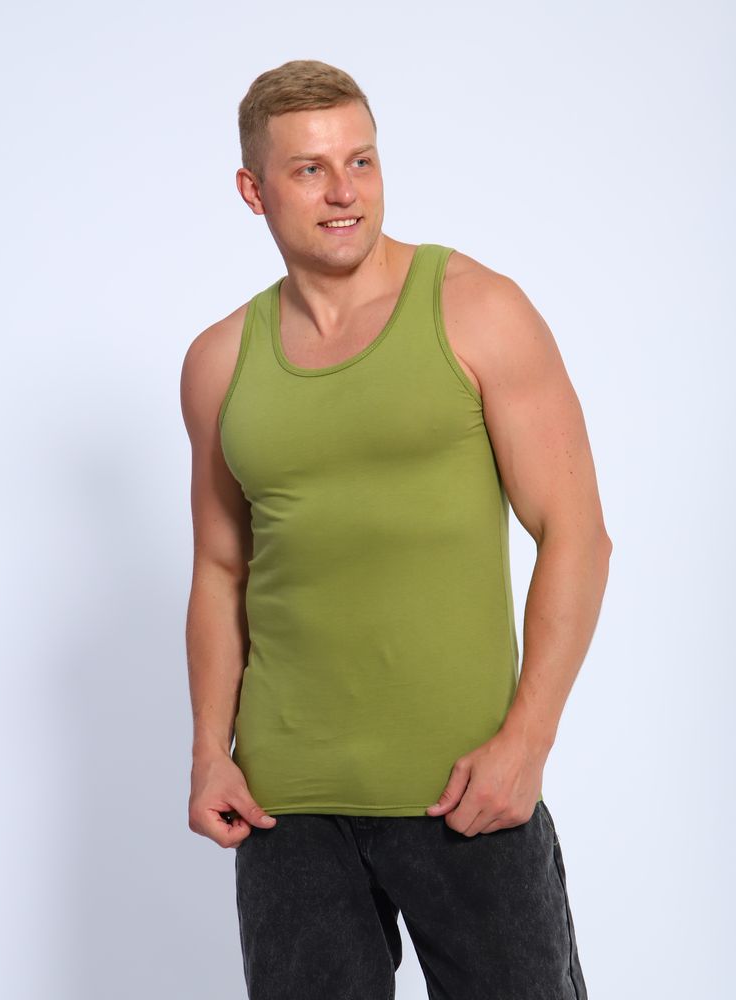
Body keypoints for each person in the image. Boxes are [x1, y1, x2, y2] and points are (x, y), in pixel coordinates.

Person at [179, 58, 611, 1000]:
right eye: (310, 169)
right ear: (253, 190)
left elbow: (576, 533)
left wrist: (526, 743)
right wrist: (211, 751)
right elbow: (219, 569)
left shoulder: (475, 308)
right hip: (286, 805)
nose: (345, 192)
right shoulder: (219, 361)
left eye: (361, 161)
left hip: (466, 788)